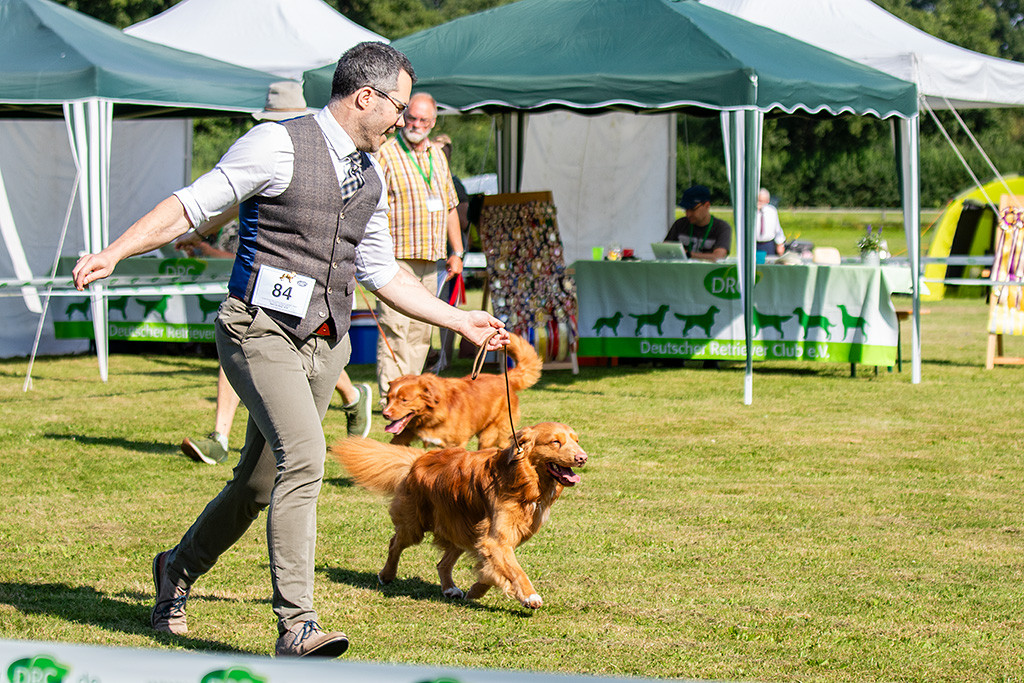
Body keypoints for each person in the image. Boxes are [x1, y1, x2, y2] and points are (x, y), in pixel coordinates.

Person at [71, 42, 508, 658]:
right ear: (366, 97)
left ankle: (176, 567)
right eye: (399, 106)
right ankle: (297, 625)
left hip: (323, 341)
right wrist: (116, 251)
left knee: (257, 482)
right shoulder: (276, 144)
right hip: (257, 329)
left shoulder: (373, 173)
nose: (405, 120)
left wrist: (458, 319)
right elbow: (193, 205)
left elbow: (382, 271)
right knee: (304, 455)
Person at [174, 87, 371, 465]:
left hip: (307, 284)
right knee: (242, 342)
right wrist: (199, 234)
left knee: (305, 358)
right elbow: (234, 199)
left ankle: (350, 395)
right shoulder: (265, 148)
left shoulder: (324, 154)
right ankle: (220, 435)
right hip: (259, 279)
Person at [373, 92, 465, 404]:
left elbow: (451, 205)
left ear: (433, 122)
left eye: (423, 120)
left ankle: (409, 398)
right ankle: (392, 398)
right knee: (397, 328)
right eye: (411, 117)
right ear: (403, 116)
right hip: (397, 256)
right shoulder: (385, 153)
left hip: (432, 255)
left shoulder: (437, 155)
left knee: (422, 331)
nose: (416, 124)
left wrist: (458, 251)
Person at [664, 184, 731, 261]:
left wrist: (688, 254)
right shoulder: (679, 224)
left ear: (707, 205)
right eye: (686, 209)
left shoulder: (722, 227)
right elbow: (664, 251)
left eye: (692, 209)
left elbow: (719, 256)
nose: (688, 214)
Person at [756, 187, 786, 257]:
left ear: (767, 201)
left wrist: (780, 244)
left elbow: (777, 229)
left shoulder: (772, 211)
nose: (759, 203)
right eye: (758, 200)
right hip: (753, 244)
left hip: (768, 244)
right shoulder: (750, 212)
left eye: (761, 201)